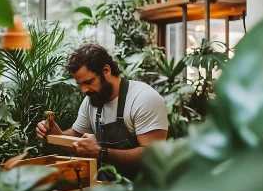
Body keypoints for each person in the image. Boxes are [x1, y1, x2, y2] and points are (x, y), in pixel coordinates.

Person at [36, 44, 168, 179]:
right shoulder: (92, 100)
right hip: (105, 190)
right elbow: (77, 137)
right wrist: (58, 135)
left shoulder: (143, 98)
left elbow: (152, 156)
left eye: (88, 81)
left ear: (106, 71)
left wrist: (101, 152)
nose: (84, 90)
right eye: (80, 84)